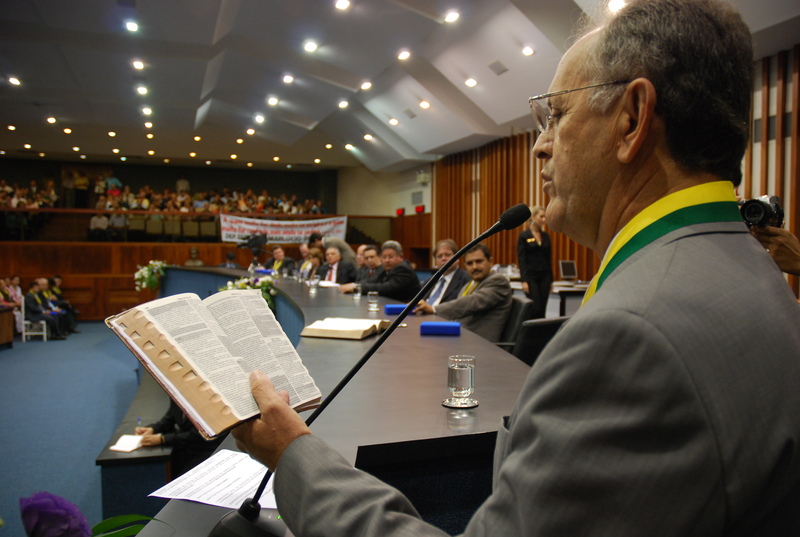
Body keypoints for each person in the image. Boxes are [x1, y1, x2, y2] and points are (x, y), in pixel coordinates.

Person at [232, 1, 800, 536]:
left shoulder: (633, 335)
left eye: (556, 115)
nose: (539, 147)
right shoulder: (754, 272)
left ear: (631, 119)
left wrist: (295, 457)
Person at [414, 243, 512, 342]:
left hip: (480, 343)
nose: (474, 267)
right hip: (461, 337)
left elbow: (472, 302)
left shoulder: (498, 281)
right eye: (470, 263)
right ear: (465, 266)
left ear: (490, 262)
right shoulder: (469, 285)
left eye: (479, 261)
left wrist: (434, 309)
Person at [135, 400, 226, 478]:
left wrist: (163, 439)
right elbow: (170, 416)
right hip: (186, 448)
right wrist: (153, 429)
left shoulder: (206, 402)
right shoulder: (177, 394)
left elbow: (196, 435)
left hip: (205, 450)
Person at [340, 240, 420, 302]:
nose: (387, 260)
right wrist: (354, 285)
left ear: (401, 257)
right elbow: (373, 280)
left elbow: (386, 288)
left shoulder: (403, 269)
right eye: (384, 257)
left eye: (391, 257)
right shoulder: (387, 268)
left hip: (404, 309)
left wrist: (357, 287)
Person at [517, 206, 553, 318]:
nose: (544, 220)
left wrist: (551, 280)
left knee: (542, 308)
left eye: (545, 217)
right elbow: (522, 259)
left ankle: (541, 329)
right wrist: (524, 280)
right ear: (533, 217)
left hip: (545, 276)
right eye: (541, 216)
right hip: (531, 276)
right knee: (535, 307)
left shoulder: (545, 236)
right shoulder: (524, 236)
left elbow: (549, 258)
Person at [421, 239, 470, 307]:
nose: (443, 258)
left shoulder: (466, 279)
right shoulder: (428, 281)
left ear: (457, 258)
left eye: (447, 255)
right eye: (439, 256)